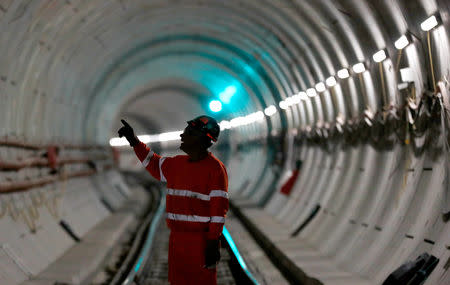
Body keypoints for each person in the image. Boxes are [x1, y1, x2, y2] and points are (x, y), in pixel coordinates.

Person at [118, 116, 228, 285]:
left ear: (200, 138)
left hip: (200, 241)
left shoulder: (215, 169)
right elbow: (153, 163)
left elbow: (218, 210)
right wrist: (134, 141)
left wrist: (213, 241)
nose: (182, 136)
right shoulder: (177, 164)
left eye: (187, 133)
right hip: (177, 239)